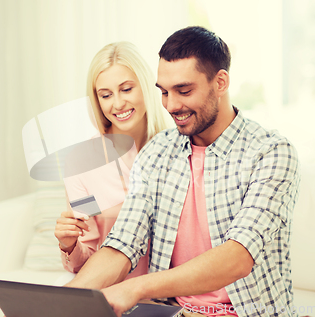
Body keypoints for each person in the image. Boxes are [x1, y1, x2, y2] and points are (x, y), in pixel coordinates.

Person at [65, 26, 300, 317]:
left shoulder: (270, 152)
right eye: (164, 92)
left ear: (221, 82)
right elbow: (123, 244)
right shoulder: (157, 152)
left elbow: (237, 258)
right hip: (173, 312)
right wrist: (59, 303)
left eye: (184, 90)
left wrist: (136, 288)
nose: (171, 105)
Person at [54, 42, 173, 277]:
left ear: (146, 88)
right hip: (113, 294)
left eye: (127, 89)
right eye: (106, 95)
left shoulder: (177, 149)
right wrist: (69, 245)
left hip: (172, 295)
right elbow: (84, 263)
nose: (117, 104)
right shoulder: (83, 163)